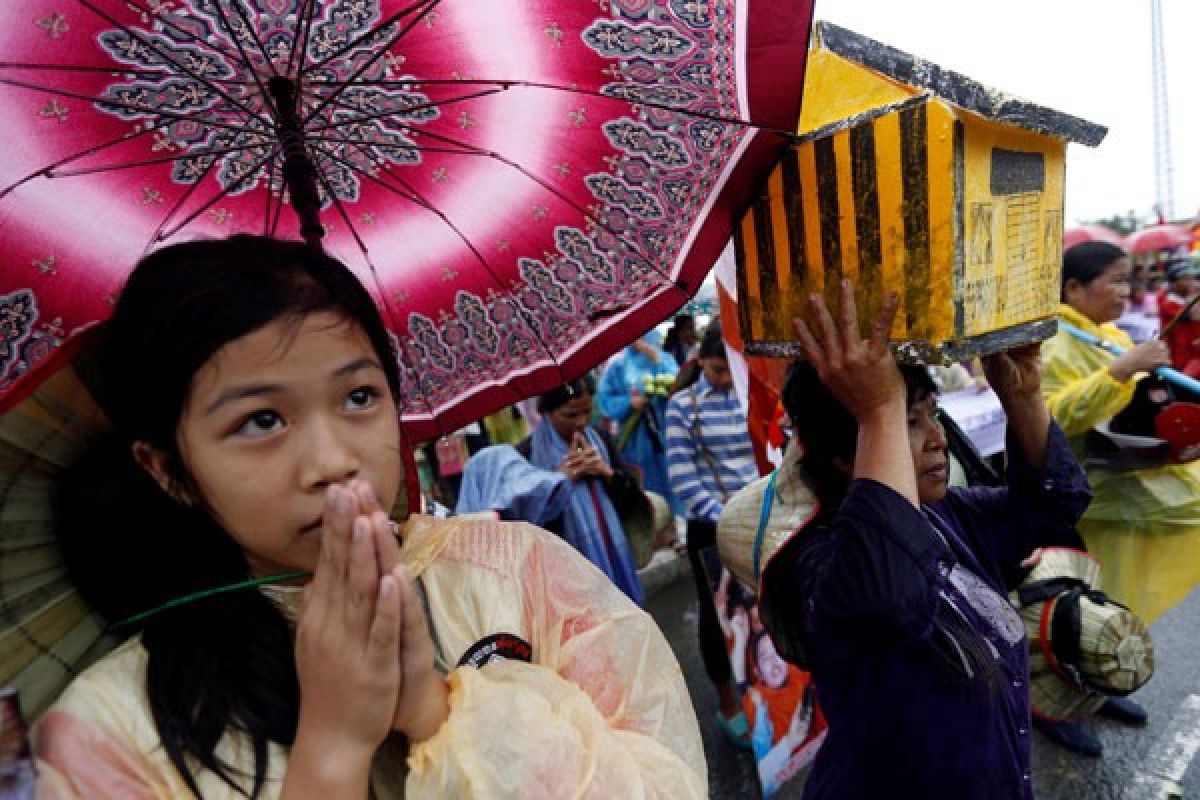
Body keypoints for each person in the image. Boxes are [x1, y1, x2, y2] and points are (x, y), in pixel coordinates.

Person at [32, 235, 706, 799]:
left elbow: (667, 776)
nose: (332, 461)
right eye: (261, 420)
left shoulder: (520, 570)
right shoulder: (105, 733)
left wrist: (436, 709)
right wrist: (332, 748)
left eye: (358, 396)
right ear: (167, 469)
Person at [749, 281, 1090, 798]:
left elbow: (1053, 505)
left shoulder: (945, 516)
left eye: (933, 412)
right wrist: (880, 407)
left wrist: (1022, 395)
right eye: (909, 421)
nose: (939, 437)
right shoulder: (815, 563)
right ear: (846, 454)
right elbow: (888, 601)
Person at [1044, 240, 1200, 623]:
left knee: (1109, 588)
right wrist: (1122, 370)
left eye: (1128, 281)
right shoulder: (1054, 340)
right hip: (1096, 480)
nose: (1126, 292)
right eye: (1116, 281)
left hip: (1132, 467)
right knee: (1104, 589)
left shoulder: (1110, 335)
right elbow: (1053, 415)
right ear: (1074, 289)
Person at [665, 325, 760, 746]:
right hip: (713, 526)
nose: (724, 378)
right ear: (701, 362)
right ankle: (727, 703)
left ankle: (765, 694)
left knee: (760, 610)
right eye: (717, 369)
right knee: (718, 614)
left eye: (729, 369)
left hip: (758, 517)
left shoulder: (749, 393)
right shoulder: (683, 407)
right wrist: (729, 518)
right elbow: (684, 481)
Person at [511, 377, 647, 604]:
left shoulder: (601, 440)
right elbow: (528, 521)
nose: (581, 422)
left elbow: (631, 498)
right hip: (564, 569)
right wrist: (558, 480)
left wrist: (606, 473)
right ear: (547, 413)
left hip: (611, 553)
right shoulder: (526, 456)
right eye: (570, 415)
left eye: (586, 412)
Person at [597, 331, 679, 513]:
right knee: (643, 482)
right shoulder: (618, 364)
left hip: (665, 433)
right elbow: (604, 400)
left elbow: (679, 385)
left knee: (670, 479)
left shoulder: (664, 359)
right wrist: (628, 403)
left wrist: (656, 358)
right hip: (633, 438)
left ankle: (674, 522)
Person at [1156, 255, 1200, 377]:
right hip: (1180, 359)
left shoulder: (1185, 299)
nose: (1191, 282)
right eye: (1185, 279)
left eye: (1191, 278)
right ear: (1174, 283)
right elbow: (1191, 315)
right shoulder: (1167, 302)